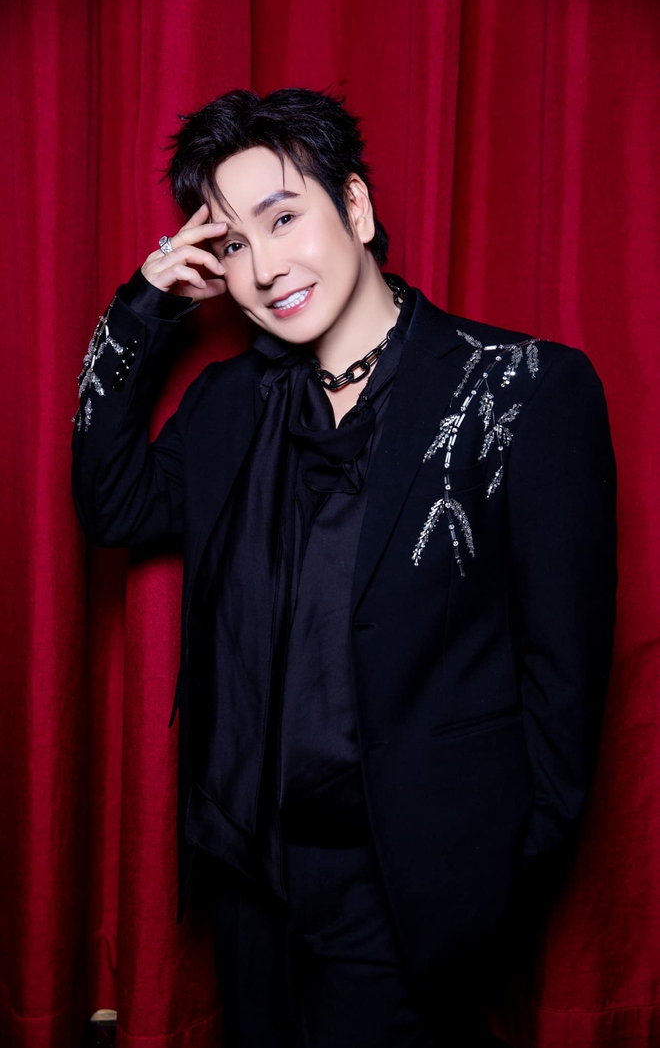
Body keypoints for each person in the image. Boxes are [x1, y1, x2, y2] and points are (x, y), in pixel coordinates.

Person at [71, 87, 618, 1047]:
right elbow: (111, 502)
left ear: (355, 208)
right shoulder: (229, 403)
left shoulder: (521, 390)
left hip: (411, 888)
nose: (263, 268)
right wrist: (145, 305)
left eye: (284, 219)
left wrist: (495, 879)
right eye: (232, 244)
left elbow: (564, 678)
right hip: (251, 875)